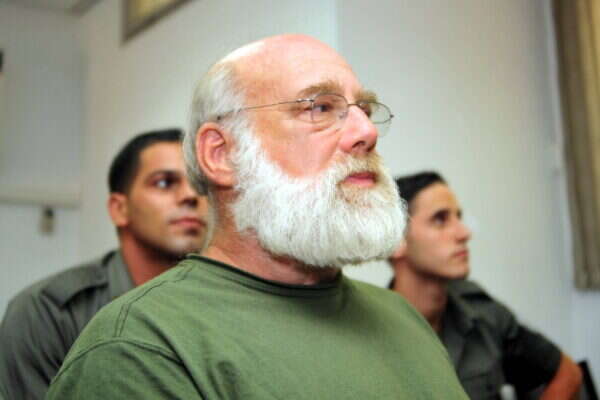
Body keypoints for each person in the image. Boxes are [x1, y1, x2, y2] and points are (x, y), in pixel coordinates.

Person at [46, 34, 468, 399]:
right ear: (222, 154)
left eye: (365, 109)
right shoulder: (141, 347)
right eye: (320, 108)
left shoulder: (402, 317)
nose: (366, 132)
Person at [0, 128, 208, 400]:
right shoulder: (50, 311)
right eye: (164, 183)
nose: (190, 196)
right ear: (119, 209)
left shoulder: (224, 304)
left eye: (200, 185)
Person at [388, 171, 582, 400]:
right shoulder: (374, 334)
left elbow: (567, 374)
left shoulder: (480, 311)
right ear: (396, 240)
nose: (464, 233)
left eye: (458, 217)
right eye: (440, 219)